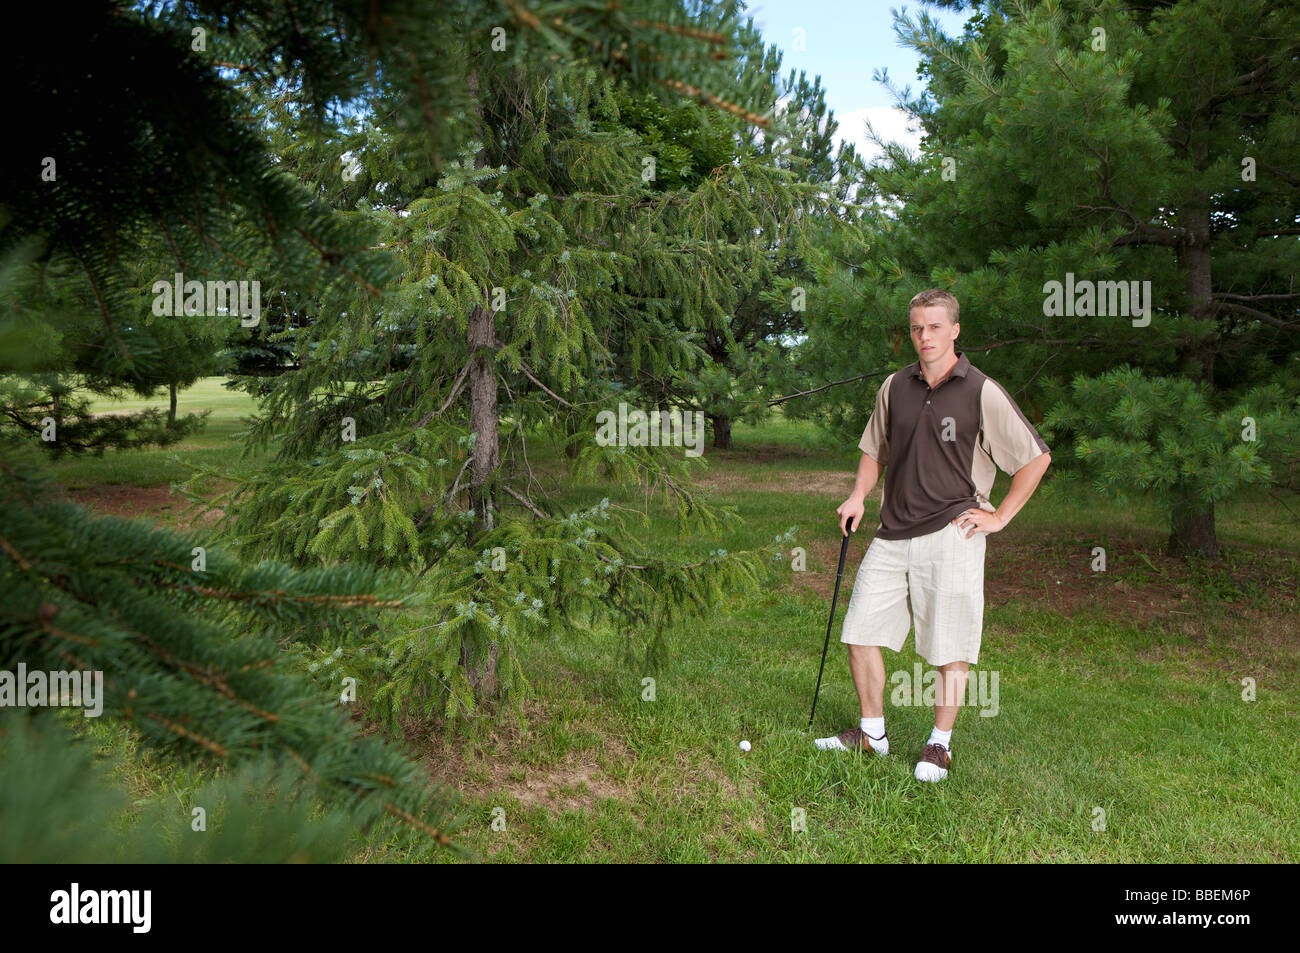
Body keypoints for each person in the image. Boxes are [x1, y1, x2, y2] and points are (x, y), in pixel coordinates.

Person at [816, 288, 1051, 782]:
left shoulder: (980, 390)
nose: (925, 336)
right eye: (917, 328)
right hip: (891, 530)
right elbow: (873, 449)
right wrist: (859, 494)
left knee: (949, 647)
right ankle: (872, 735)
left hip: (953, 531)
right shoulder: (894, 386)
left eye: (935, 327)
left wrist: (1001, 516)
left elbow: (1035, 458)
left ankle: (939, 745)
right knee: (859, 631)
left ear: (955, 331)